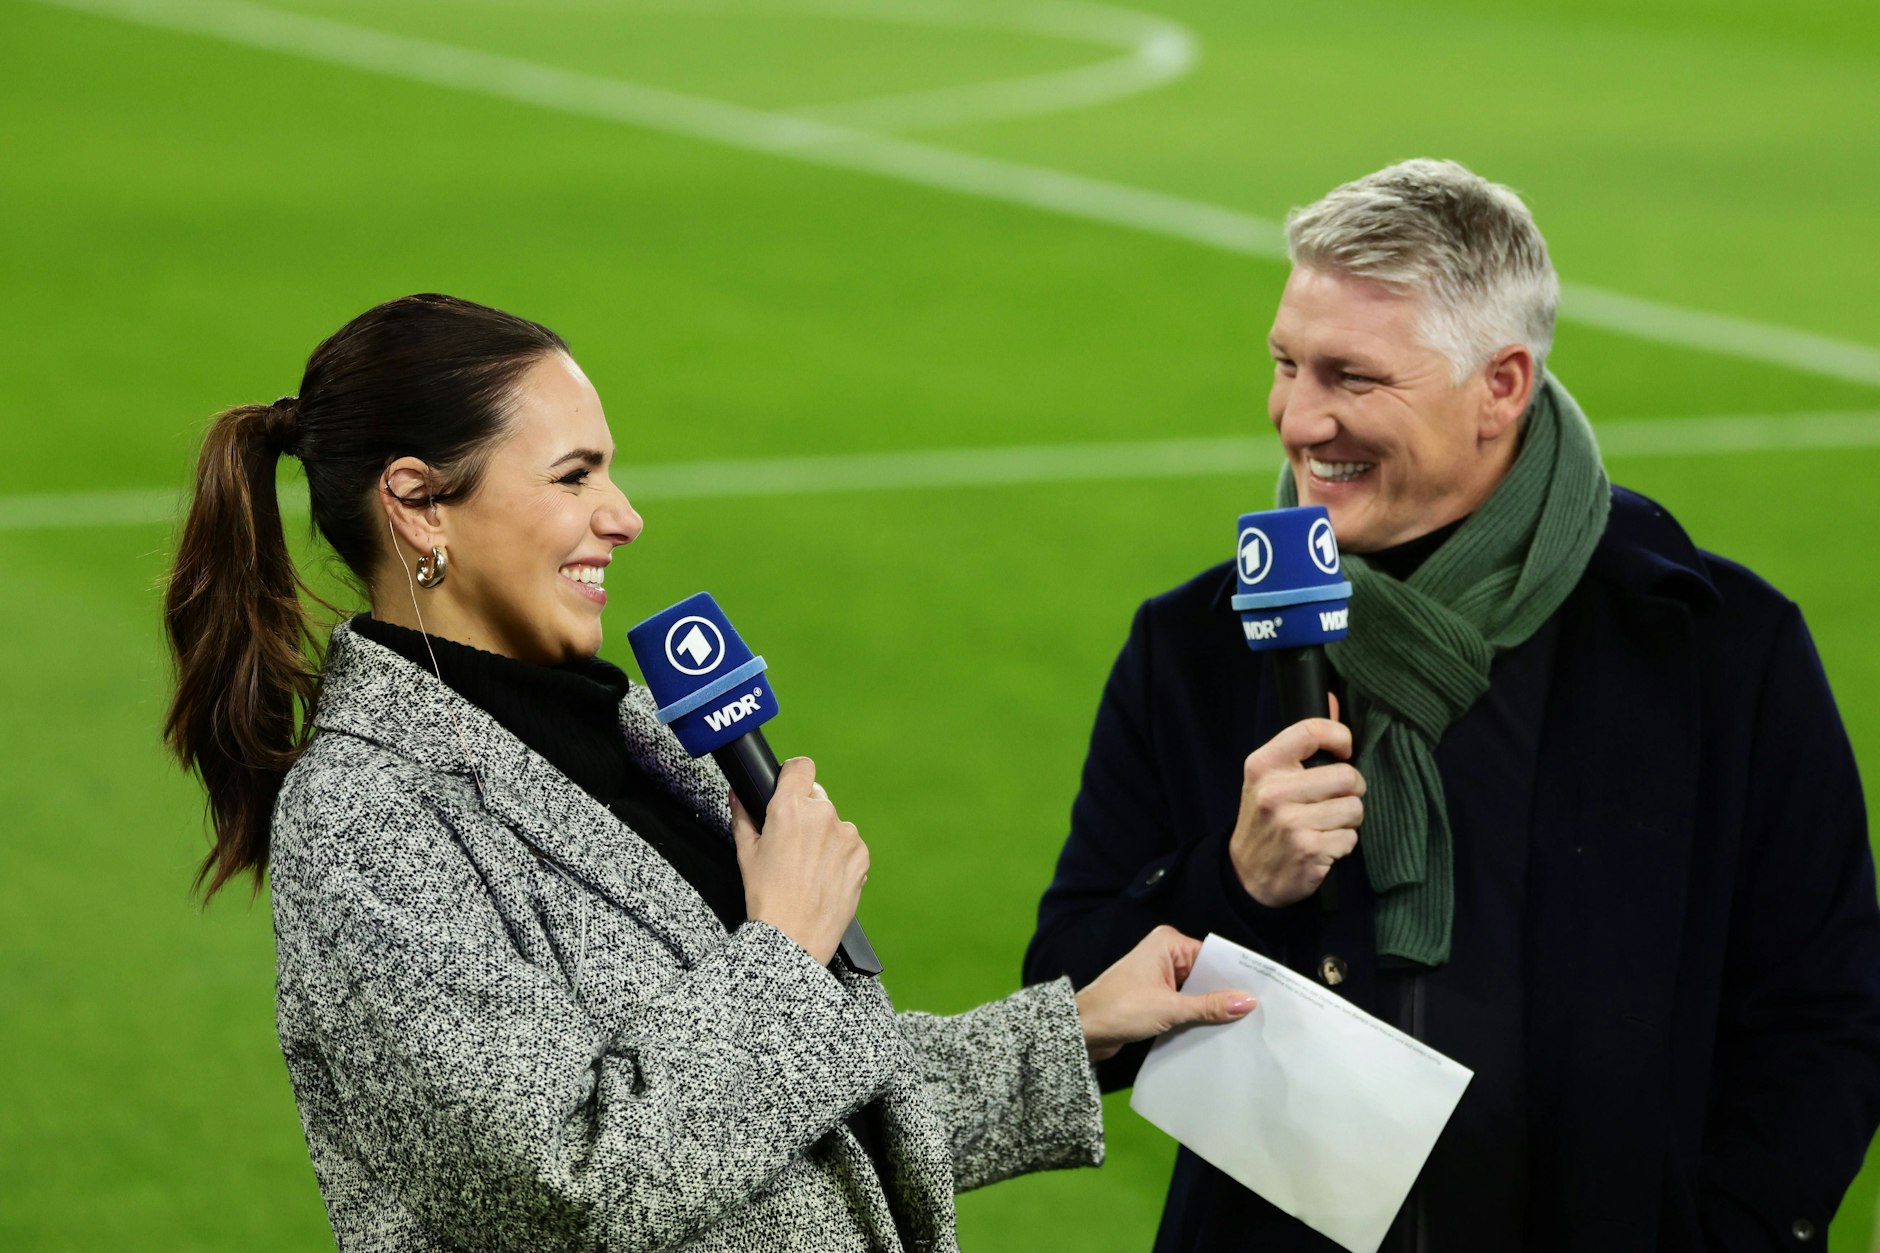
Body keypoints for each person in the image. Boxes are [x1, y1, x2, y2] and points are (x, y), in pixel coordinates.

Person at [161, 293, 1256, 1252]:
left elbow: (791, 1111)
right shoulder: (371, 812)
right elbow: (565, 1185)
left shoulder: (635, 732)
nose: (623, 516)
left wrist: (1071, 1030)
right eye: (573, 475)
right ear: (417, 502)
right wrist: (782, 947)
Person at [1024, 160, 1880, 1251]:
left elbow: (1820, 1012)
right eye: (1285, 364)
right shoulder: (1197, 642)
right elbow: (1065, 1005)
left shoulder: (1709, 648)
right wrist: (1231, 881)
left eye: (1352, 377)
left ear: (1500, 386)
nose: (1298, 416)